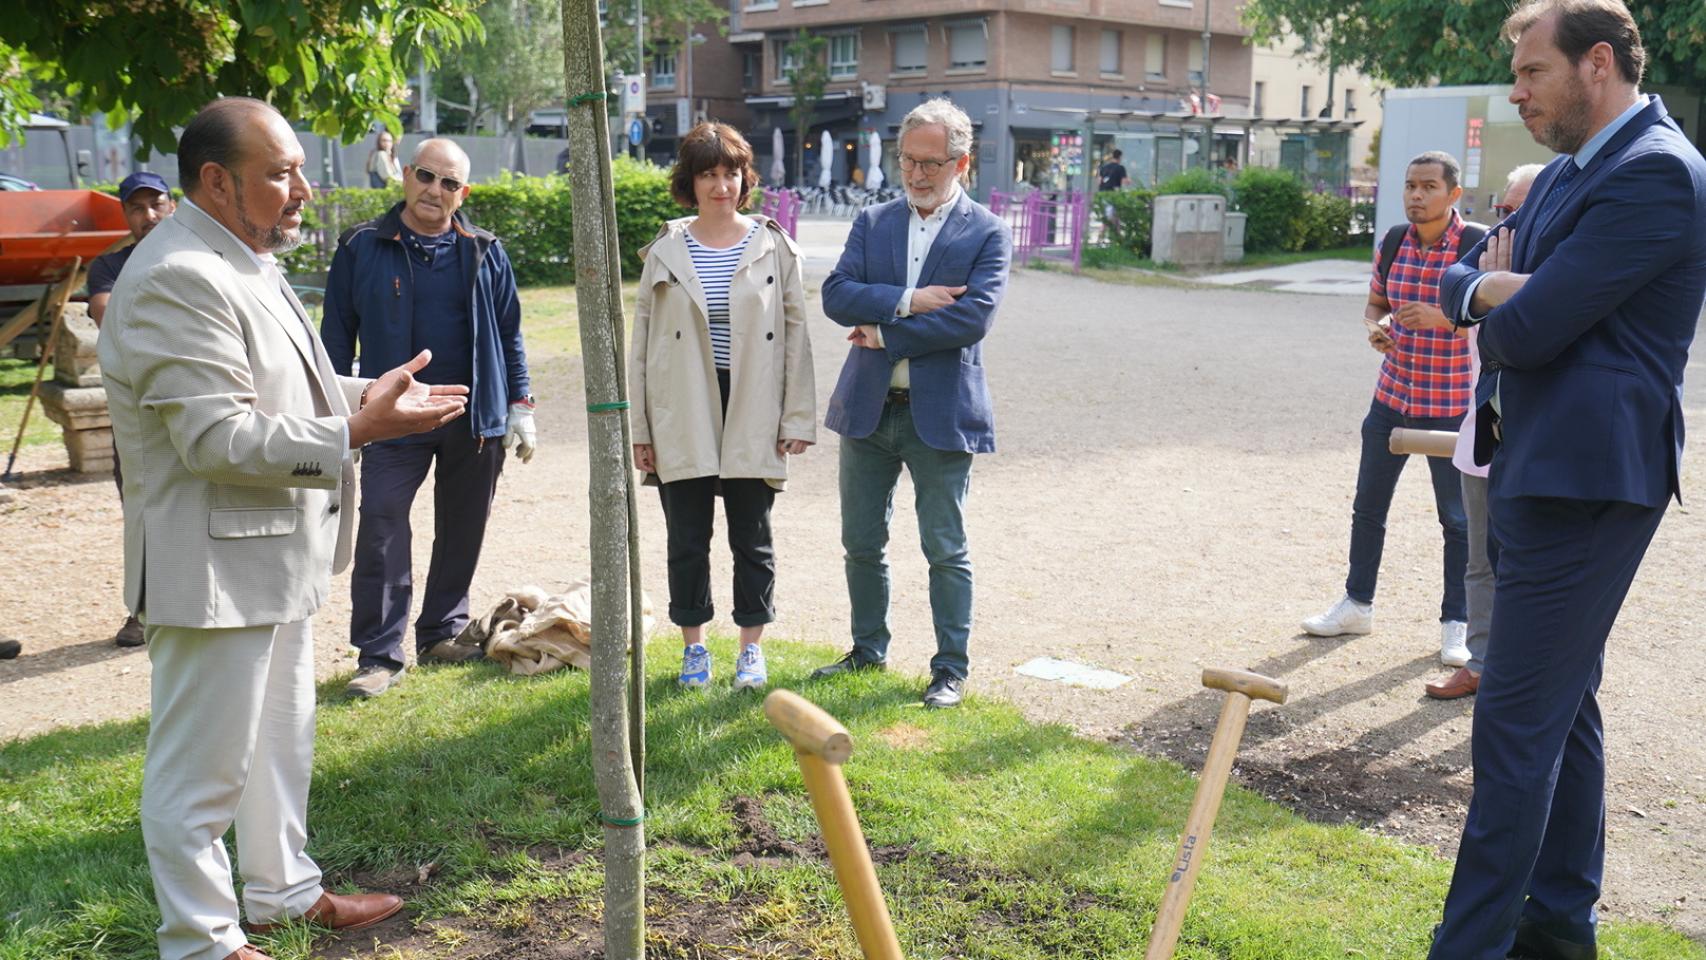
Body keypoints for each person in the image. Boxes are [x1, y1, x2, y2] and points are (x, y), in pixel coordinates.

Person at [98, 96, 468, 960]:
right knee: (202, 773)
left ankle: (282, 894)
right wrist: (357, 430)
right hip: (211, 563)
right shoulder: (177, 274)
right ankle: (200, 939)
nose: (303, 188)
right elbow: (217, 436)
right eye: (280, 173)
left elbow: (274, 390)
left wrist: (363, 396)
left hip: (269, 552)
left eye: (300, 167)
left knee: (276, 747)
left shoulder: (240, 257)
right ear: (217, 181)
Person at [1431, 1, 1706, 956]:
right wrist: (1495, 285)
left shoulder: (1657, 173)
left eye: (1532, 73)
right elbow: (1461, 275)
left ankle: (1471, 945)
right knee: (1563, 703)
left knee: (1512, 720)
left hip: (1587, 482)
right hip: (1534, 460)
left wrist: (1504, 296)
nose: (1517, 91)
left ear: (1598, 64)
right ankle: (1560, 923)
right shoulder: (1563, 176)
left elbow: (1526, 326)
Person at [812, 98, 1012, 709]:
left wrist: (884, 333)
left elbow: (972, 320)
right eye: (908, 161)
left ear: (963, 162)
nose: (918, 174)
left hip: (941, 414)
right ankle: (867, 650)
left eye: (932, 163)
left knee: (945, 548)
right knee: (861, 542)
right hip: (868, 409)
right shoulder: (874, 222)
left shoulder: (987, 231)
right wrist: (908, 299)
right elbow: (837, 295)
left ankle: (950, 668)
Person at [322, 137, 535, 699]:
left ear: (462, 193)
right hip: (391, 417)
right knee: (383, 526)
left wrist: (520, 405)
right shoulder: (360, 246)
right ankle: (379, 654)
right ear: (405, 176)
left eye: (448, 183)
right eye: (425, 176)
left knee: (464, 526)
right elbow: (336, 336)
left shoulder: (486, 251)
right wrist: (339, 415)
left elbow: (510, 334)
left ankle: (441, 630)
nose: (434, 191)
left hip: (472, 417)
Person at [629, 122, 816, 691]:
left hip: (752, 403)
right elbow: (640, 348)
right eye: (708, 174)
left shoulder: (772, 246)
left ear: (744, 178)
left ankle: (751, 650)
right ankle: (694, 648)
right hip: (680, 405)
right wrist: (642, 430)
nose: (721, 185)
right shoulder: (663, 250)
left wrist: (797, 418)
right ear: (690, 181)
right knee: (686, 537)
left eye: (730, 173)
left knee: (751, 536)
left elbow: (795, 334)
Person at [1300, 151, 1482, 669]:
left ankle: (1457, 623)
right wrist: (1374, 328)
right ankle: (1357, 604)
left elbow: (1507, 316)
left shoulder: (1477, 246)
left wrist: (1446, 319)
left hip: (1451, 407)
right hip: (1392, 400)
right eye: (1409, 186)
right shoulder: (1395, 241)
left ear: (1453, 195)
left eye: (1428, 186)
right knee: (1368, 508)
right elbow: (1374, 303)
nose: (1416, 195)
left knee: (1459, 520)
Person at [1421, 162, 1543, 701]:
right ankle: (1479, 663)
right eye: (1502, 211)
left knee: (1531, 570)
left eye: (1519, 213)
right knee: (1480, 561)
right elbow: (1464, 311)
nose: (1504, 227)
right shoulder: (1486, 265)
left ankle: (1521, 677)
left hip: (1535, 446)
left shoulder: (1560, 277)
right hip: (1481, 438)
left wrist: (1499, 288)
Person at [87, 170, 177, 648]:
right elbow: (110, 316)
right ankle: (141, 612)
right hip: (139, 417)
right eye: (137, 208)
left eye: (156, 204)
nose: (148, 216)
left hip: (197, 403)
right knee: (142, 509)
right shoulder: (107, 267)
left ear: (173, 206)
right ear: (125, 214)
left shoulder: (194, 258)